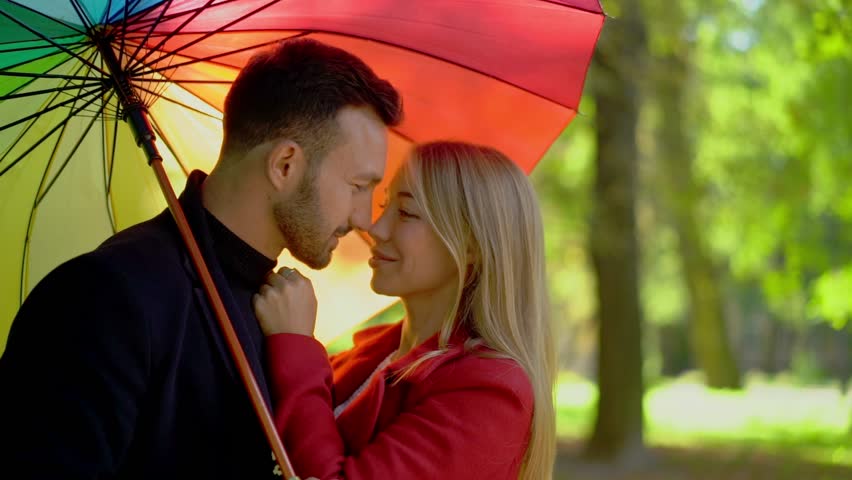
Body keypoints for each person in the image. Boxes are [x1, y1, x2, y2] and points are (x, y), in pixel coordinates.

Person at [0, 38, 402, 479]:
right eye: (359, 186)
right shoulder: (106, 297)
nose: (365, 217)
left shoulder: (276, 310)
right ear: (285, 165)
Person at [254, 141, 557, 479]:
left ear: (471, 245)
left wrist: (295, 345)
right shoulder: (374, 354)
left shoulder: (490, 391)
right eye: (384, 206)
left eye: (407, 213)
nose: (375, 228)